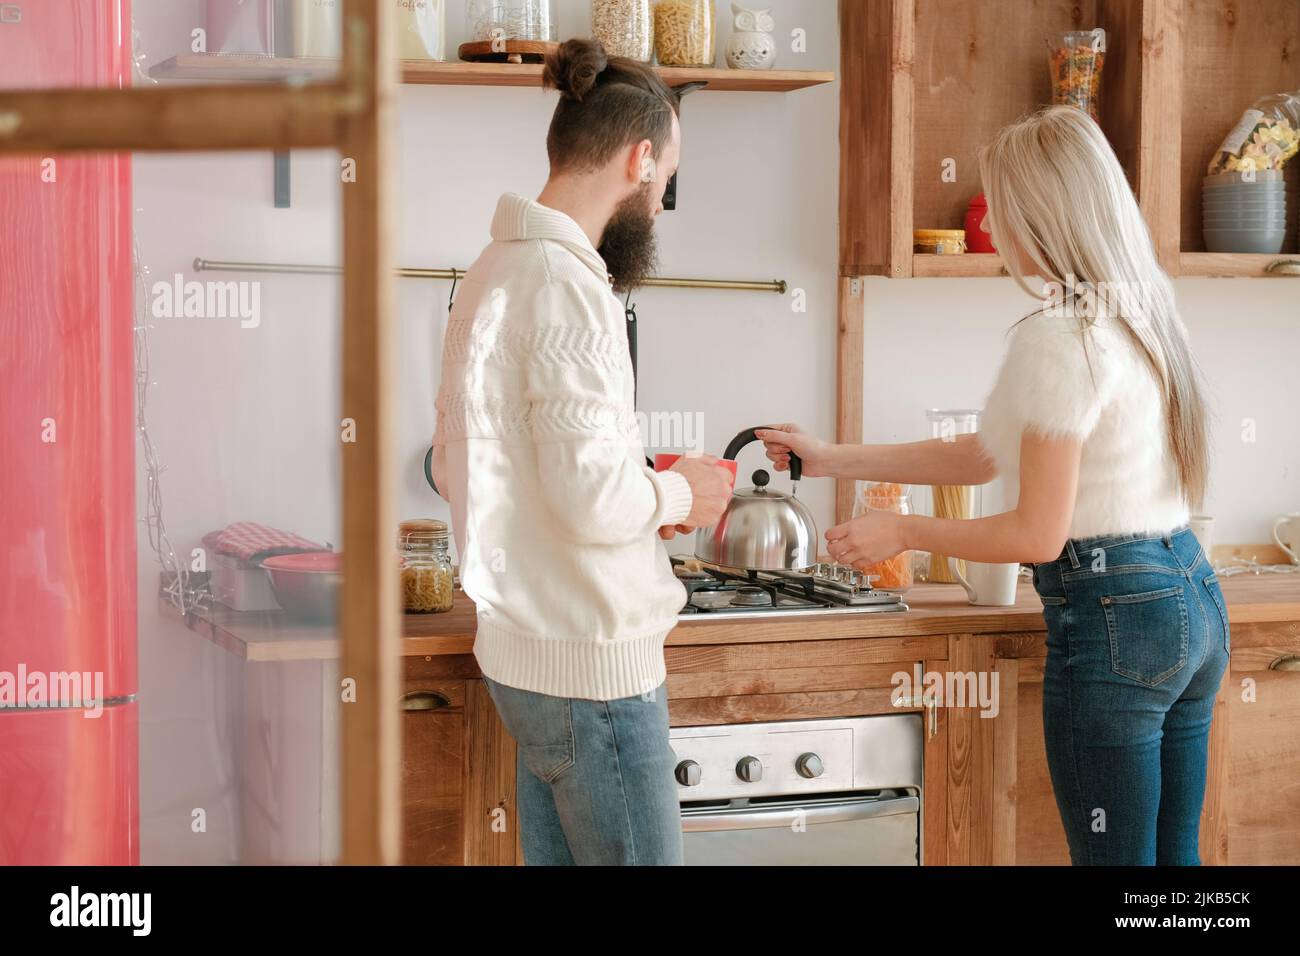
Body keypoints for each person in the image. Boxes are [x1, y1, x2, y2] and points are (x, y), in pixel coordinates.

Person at [759, 106, 1228, 866]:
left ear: (1034, 216)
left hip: (1117, 618)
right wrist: (835, 458)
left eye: (999, 208)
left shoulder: (1057, 335)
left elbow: (1036, 536)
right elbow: (988, 454)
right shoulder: (1139, 312)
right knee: (1172, 870)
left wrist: (905, 531)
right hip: (1191, 598)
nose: (992, 229)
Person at [430, 38, 732, 866]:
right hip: (595, 672)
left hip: (527, 660)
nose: (660, 203)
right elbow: (591, 501)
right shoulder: (568, 286)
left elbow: (469, 463)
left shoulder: (491, 270)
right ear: (640, 160)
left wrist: (643, 489)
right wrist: (680, 497)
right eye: (664, 180)